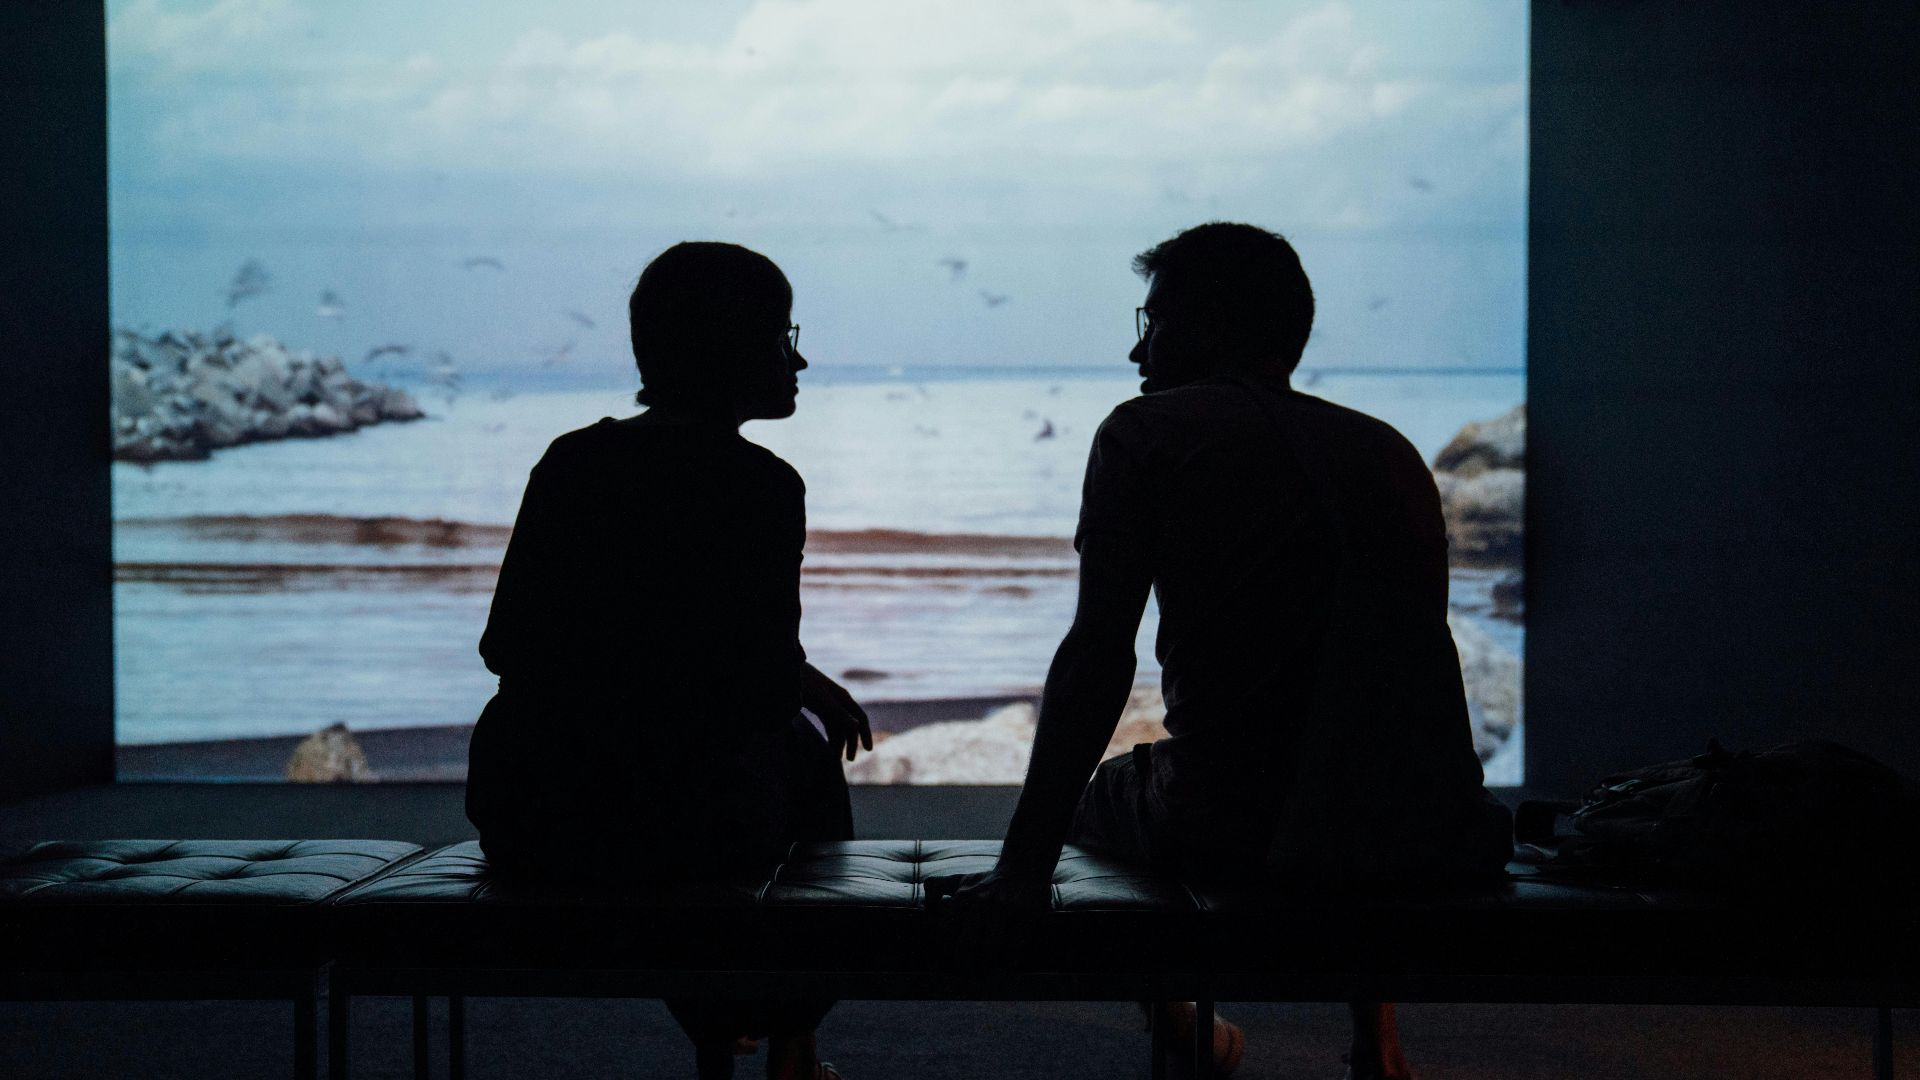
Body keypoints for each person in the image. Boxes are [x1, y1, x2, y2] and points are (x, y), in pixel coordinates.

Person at [927, 223, 1512, 1080]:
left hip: (1241, 826)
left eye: (1154, 321)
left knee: (1103, 799)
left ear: (1213, 326)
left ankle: (1184, 1025)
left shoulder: (1146, 432)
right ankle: (1377, 1041)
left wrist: (1023, 869)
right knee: (1345, 749)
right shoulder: (1386, 449)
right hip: (1430, 827)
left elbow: (1098, 653)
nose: (1136, 347)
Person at [465, 241, 872, 1080]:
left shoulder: (573, 459)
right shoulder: (762, 484)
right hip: (686, 830)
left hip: (533, 815)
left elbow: (506, 644)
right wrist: (787, 692)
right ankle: (794, 1040)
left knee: (695, 765)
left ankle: (723, 1038)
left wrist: (790, 677)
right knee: (786, 765)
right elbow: (753, 686)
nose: (799, 357)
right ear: (731, 347)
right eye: (780, 333)